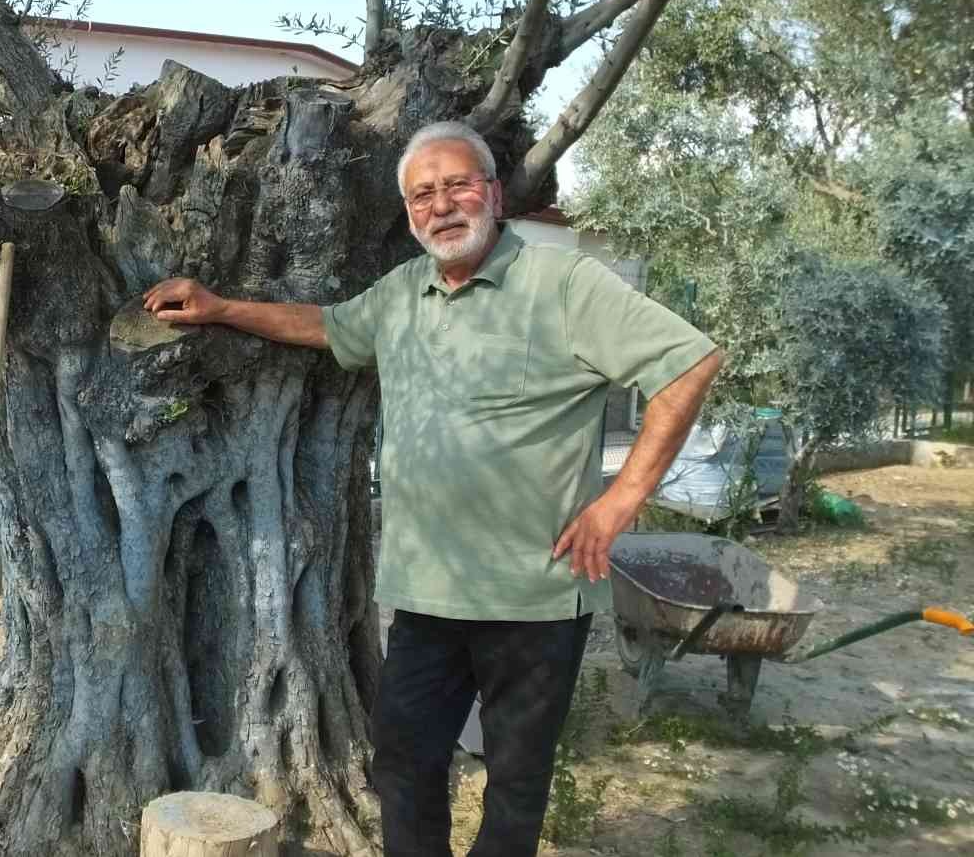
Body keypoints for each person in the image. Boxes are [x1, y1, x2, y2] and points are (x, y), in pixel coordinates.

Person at [143, 121, 722, 856]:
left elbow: (688, 363)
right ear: (410, 213)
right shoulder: (402, 292)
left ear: (493, 193)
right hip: (426, 593)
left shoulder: (562, 282)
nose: (441, 205)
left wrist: (619, 502)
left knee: (515, 783)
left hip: (535, 593)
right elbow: (325, 325)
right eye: (423, 194)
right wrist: (223, 307)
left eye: (456, 185)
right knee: (405, 766)